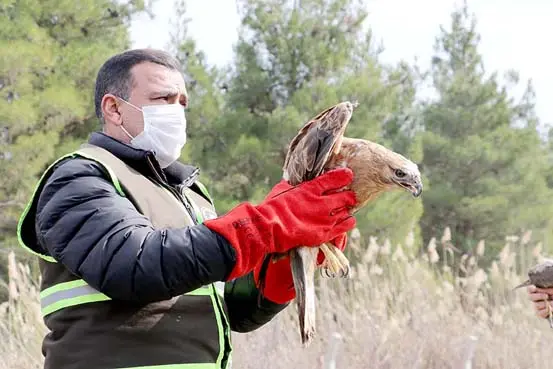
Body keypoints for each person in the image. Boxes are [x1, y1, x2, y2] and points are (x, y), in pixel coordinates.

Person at [16, 48, 357, 369]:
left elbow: (230, 311)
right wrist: (267, 224)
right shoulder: (80, 176)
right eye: (163, 98)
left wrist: (279, 266)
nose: (176, 111)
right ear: (114, 109)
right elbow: (136, 267)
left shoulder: (191, 194)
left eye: (182, 102)